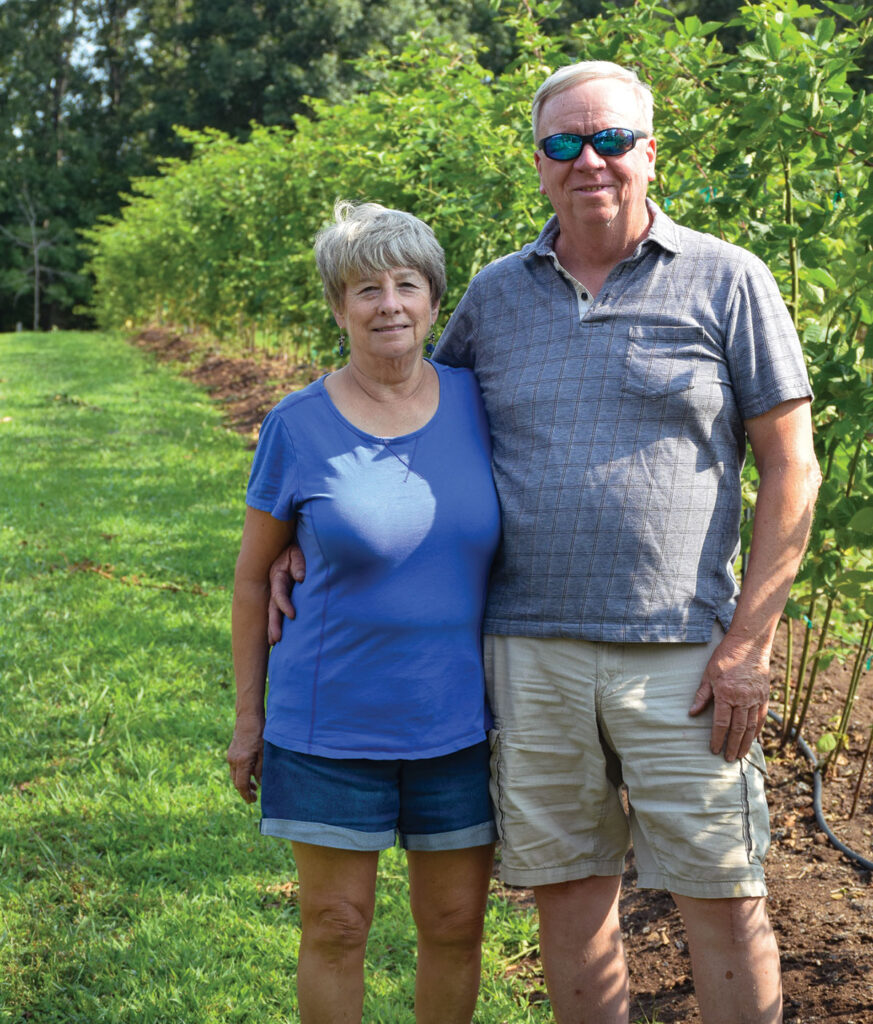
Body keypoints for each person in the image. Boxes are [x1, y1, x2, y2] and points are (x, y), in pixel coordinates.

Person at [270, 63, 822, 1024]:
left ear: (651, 152)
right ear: (538, 163)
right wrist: (307, 525)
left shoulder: (730, 278)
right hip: (526, 652)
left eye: (610, 140)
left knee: (724, 897)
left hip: (686, 654)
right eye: (564, 144)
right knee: (569, 900)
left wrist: (748, 646)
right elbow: (408, 416)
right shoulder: (494, 295)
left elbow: (792, 469)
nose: (589, 162)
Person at [227, 200, 501, 1024]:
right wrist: (248, 719)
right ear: (338, 307)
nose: (388, 305)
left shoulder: (478, 405)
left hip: (456, 720)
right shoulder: (298, 425)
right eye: (365, 289)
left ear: (432, 298)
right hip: (329, 721)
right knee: (336, 925)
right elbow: (249, 579)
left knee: (454, 926)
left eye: (406, 285)